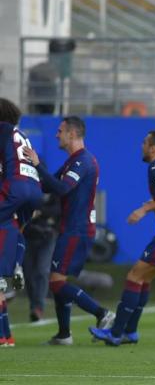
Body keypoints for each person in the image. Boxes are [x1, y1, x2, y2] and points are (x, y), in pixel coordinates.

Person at [89, 130, 155, 346]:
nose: (141, 146)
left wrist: (146, 209)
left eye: (144, 142)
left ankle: (116, 333)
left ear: (153, 148)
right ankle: (130, 332)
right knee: (143, 279)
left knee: (133, 276)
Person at [23, 116, 114, 345]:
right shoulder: (72, 161)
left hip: (77, 229)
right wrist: (26, 173)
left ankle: (102, 314)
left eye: (60, 130)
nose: (56, 134)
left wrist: (36, 165)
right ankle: (64, 334)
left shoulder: (82, 161)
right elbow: (48, 185)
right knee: (59, 281)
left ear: (72, 134)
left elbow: (62, 189)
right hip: (71, 228)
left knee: (57, 283)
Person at [0, 98, 43, 346]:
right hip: (33, 191)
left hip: (15, 188)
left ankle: (13, 269)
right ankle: (6, 336)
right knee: (15, 229)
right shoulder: (21, 136)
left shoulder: (3, 130)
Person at [23, 192, 61, 322]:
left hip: (47, 237)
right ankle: (34, 305)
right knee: (27, 273)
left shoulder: (54, 192)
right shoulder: (29, 189)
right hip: (28, 236)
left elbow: (57, 210)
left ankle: (38, 307)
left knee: (42, 270)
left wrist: (38, 211)